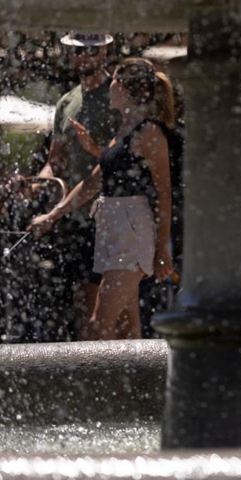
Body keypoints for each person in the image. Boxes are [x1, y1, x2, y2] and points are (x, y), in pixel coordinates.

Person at [29, 58, 175, 340]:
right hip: (111, 228)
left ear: (121, 86)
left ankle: (93, 384)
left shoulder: (149, 132)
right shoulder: (125, 128)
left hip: (131, 232)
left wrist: (162, 248)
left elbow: (163, 193)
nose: (108, 86)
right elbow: (93, 182)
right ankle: (139, 384)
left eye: (113, 81)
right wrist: (52, 215)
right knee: (126, 327)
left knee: (98, 324)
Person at [28, 32, 121, 340]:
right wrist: (37, 182)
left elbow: (115, 158)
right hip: (76, 217)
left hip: (115, 211)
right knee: (82, 300)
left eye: (92, 50)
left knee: (112, 304)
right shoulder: (66, 101)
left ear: (105, 51)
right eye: (78, 51)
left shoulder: (118, 94)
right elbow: (57, 162)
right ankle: (88, 372)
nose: (85, 56)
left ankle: (120, 373)